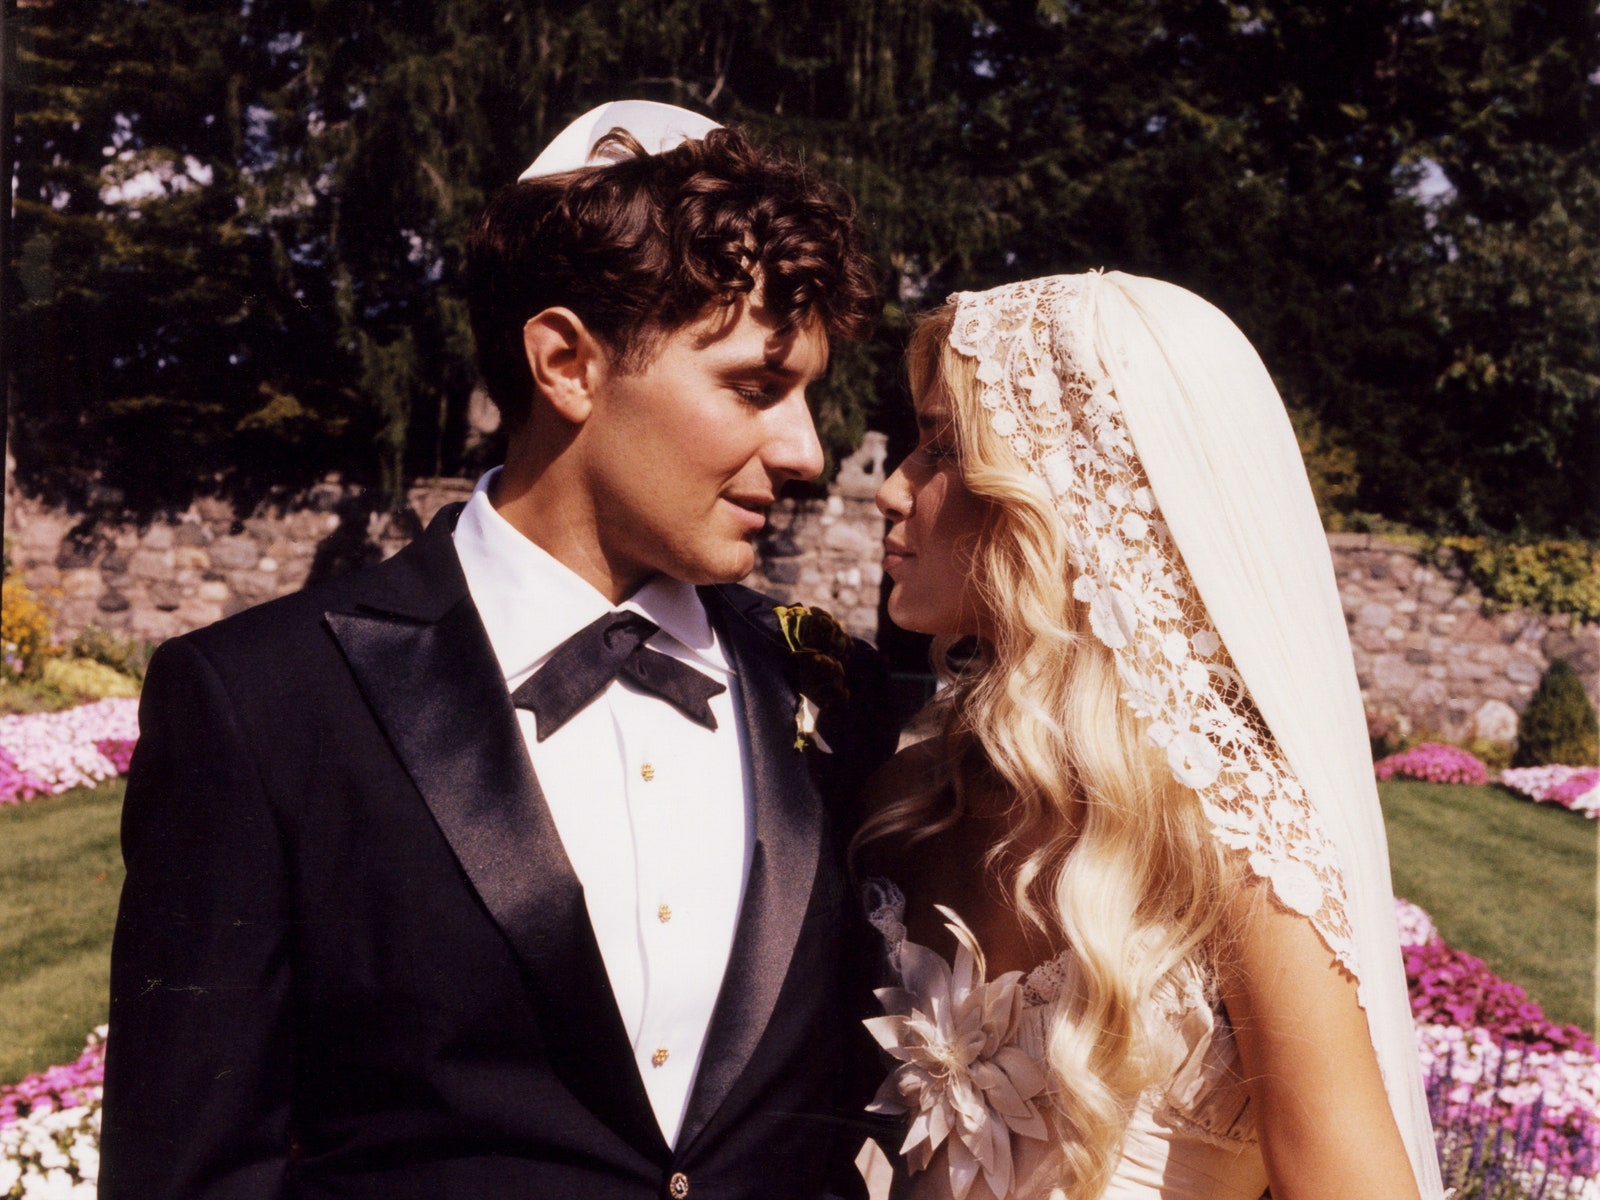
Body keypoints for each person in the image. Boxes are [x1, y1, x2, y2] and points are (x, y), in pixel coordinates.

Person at [101, 101, 896, 1200]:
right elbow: (189, 1174)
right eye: (755, 387)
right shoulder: (262, 702)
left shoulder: (828, 690)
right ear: (566, 362)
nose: (806, 450)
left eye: (808, 393)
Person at [855, 272, 1445, 1199]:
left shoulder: (1238, 847)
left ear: (1066, 499)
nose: (894, 490)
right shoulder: (908, 800)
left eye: (941, 448)